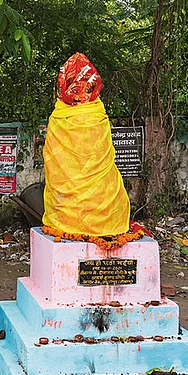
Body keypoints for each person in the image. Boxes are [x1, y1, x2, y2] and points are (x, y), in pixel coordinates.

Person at [42, 52, 132, 243]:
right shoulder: (98, 113)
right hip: (109, 212)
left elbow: (53, 161)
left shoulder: (59, 116)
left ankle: (76, 222)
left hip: (65, 214)